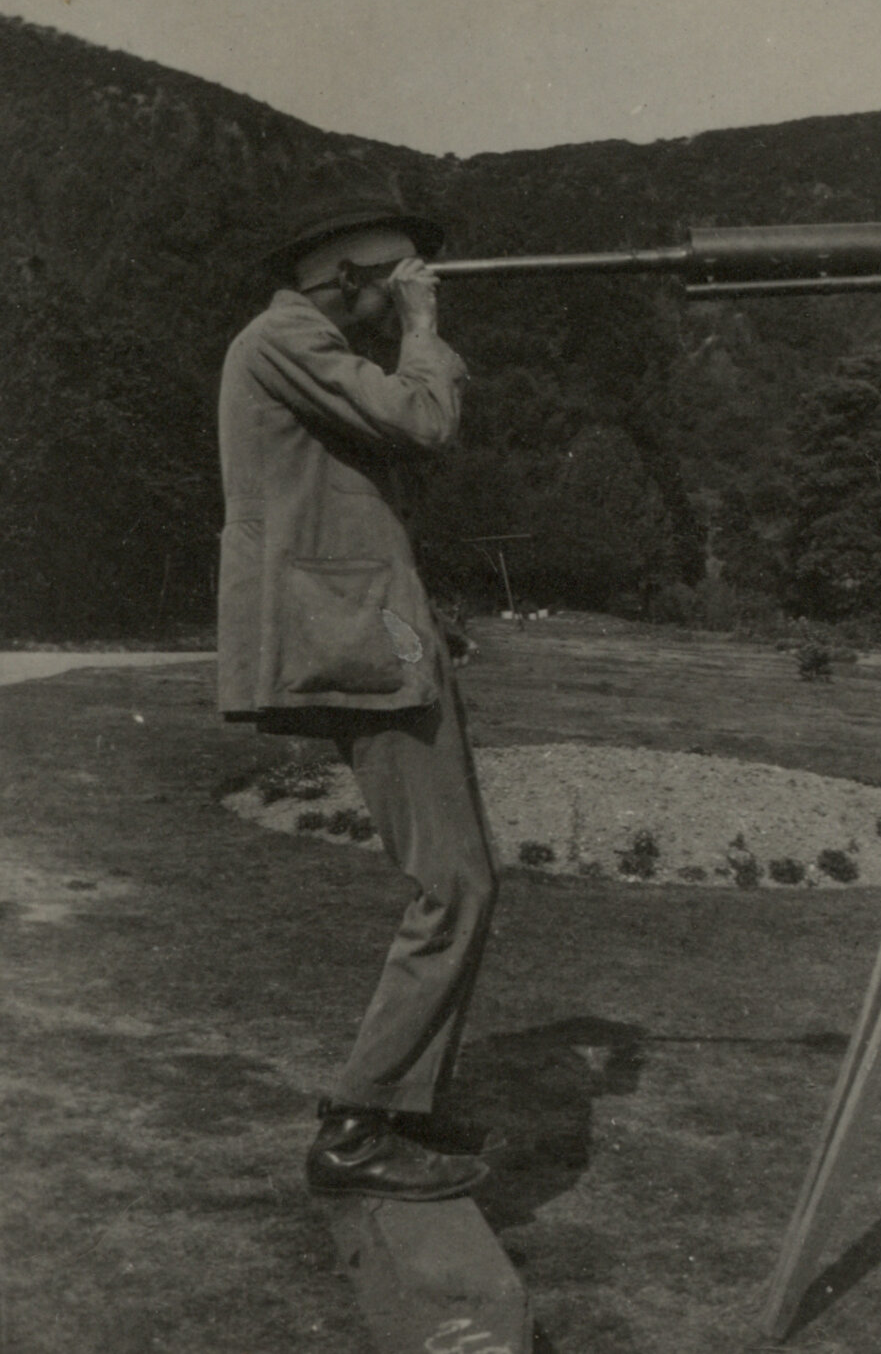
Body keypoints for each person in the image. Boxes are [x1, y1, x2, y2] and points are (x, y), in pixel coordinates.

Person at [217, 193, 499, 1201]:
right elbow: (422, 421)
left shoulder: (304, 341)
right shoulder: (289, 335)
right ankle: (359, 1123)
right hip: (352, 639)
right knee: (455, 885)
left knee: (459, 879)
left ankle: (395, 1102)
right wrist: (426, 333)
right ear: (350, 279)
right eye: (398, 281)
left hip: (371, 628)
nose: (407, 297)